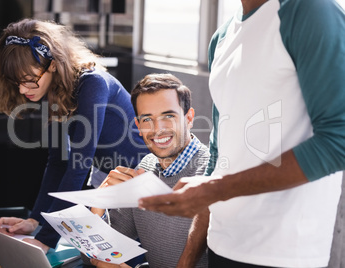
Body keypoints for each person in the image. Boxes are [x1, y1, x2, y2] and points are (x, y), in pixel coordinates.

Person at [139, 0, 345, 267]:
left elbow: (338, 140)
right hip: (221, 246)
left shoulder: (308, 10)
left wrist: (216, 189)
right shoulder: (221, 39)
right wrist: (187, 260)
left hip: (283, 254)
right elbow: (218, 155)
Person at [0, 18, 149, 252]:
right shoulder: (52, 91)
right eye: (16, 83)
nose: (23, 90)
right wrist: (35, 221)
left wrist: (45, 239)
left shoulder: (93, 84)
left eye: (29, 80)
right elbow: (58, 162)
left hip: (143, 187)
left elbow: (78, 166)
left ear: (53, 64)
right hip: (111, 184)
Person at [90, 73, 209, 267]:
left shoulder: (212, 174)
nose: (157, 129)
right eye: (147, 119)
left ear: (189, 118)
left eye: (168, 116)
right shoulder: (144, 168)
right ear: (138, 125)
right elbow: (93, 256)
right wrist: (99, 202)